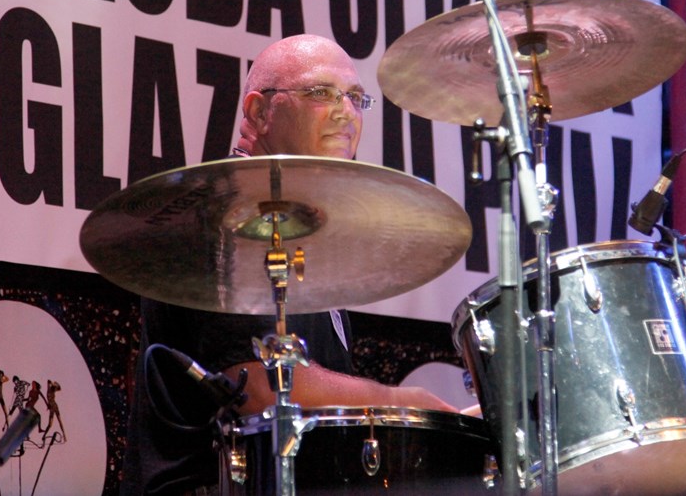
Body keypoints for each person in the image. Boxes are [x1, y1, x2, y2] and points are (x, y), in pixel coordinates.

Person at [122, 34, 455, 495]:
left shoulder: (298, 230)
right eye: (321, 93)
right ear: (259, 112)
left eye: (355, 98)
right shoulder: (226, 213)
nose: (345, 112)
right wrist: (398, 403)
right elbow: (259, 388)